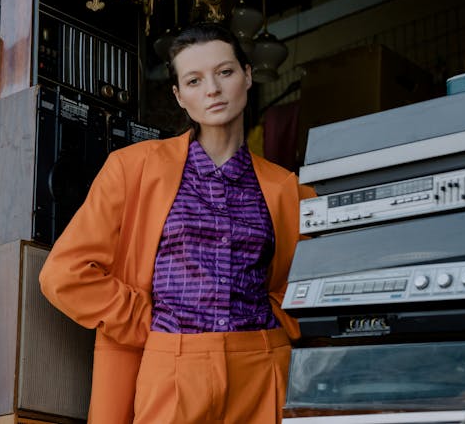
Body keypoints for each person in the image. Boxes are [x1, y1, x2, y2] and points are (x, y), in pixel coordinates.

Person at [39, 22, 314, 423]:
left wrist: (278, 323)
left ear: (248, 75)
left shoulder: (286, 188)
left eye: (225, 72)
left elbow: (312, 283)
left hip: (263, 363)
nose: (213, 90)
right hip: (172, 361)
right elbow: (63, 274)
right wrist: (146, 320)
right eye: (194, 80)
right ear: (179, 96)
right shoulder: (132, 169)